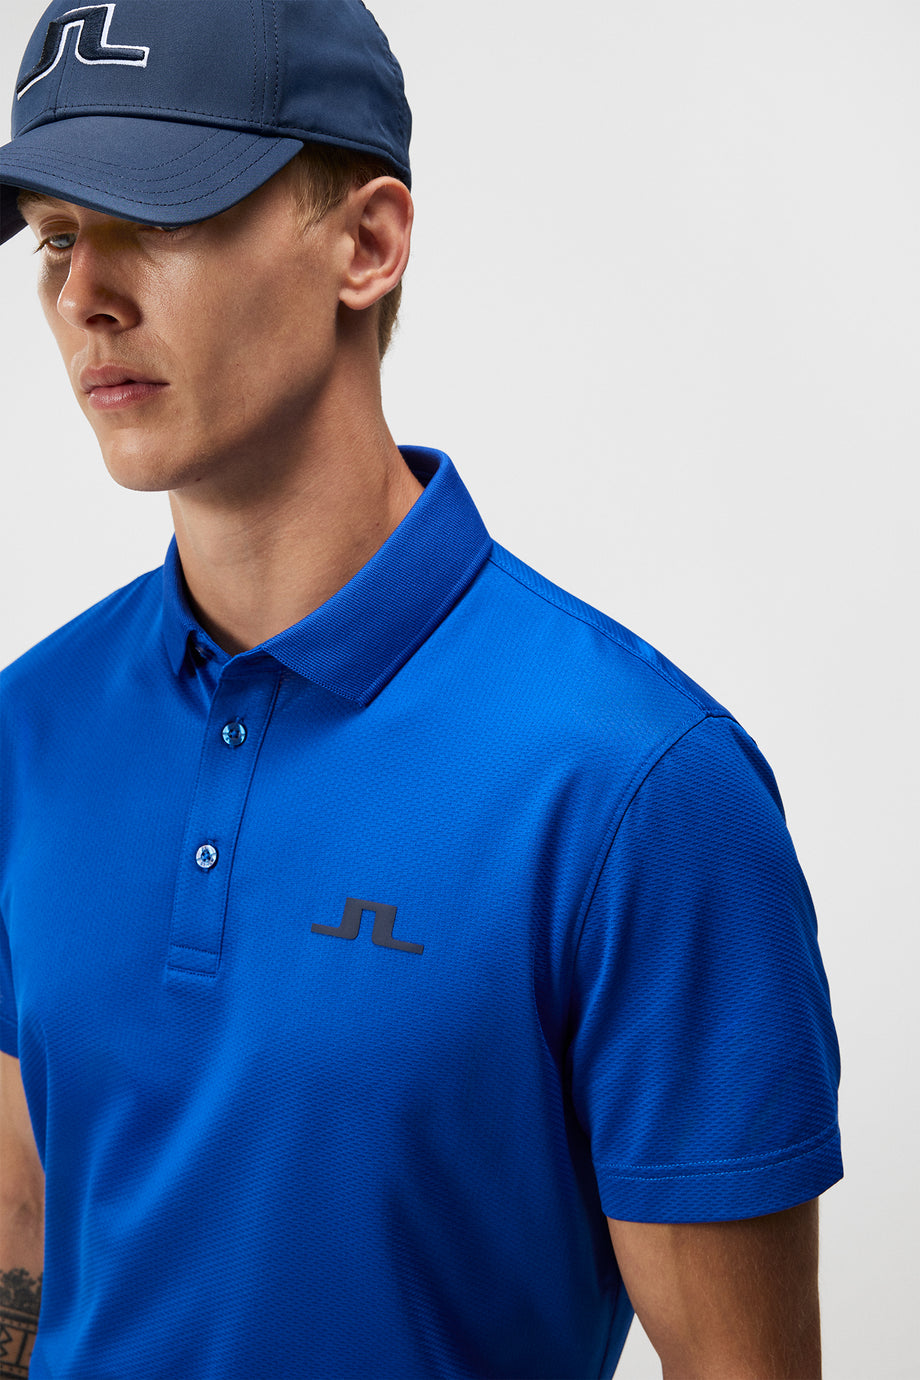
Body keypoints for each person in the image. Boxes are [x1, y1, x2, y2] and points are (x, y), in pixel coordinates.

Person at [0, 1, 842, 1376]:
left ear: (368, 244)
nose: (83, 293)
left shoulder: (639, 788)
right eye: (54, 235)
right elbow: (24, 1239)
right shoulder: (25, 730)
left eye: (152, 215)